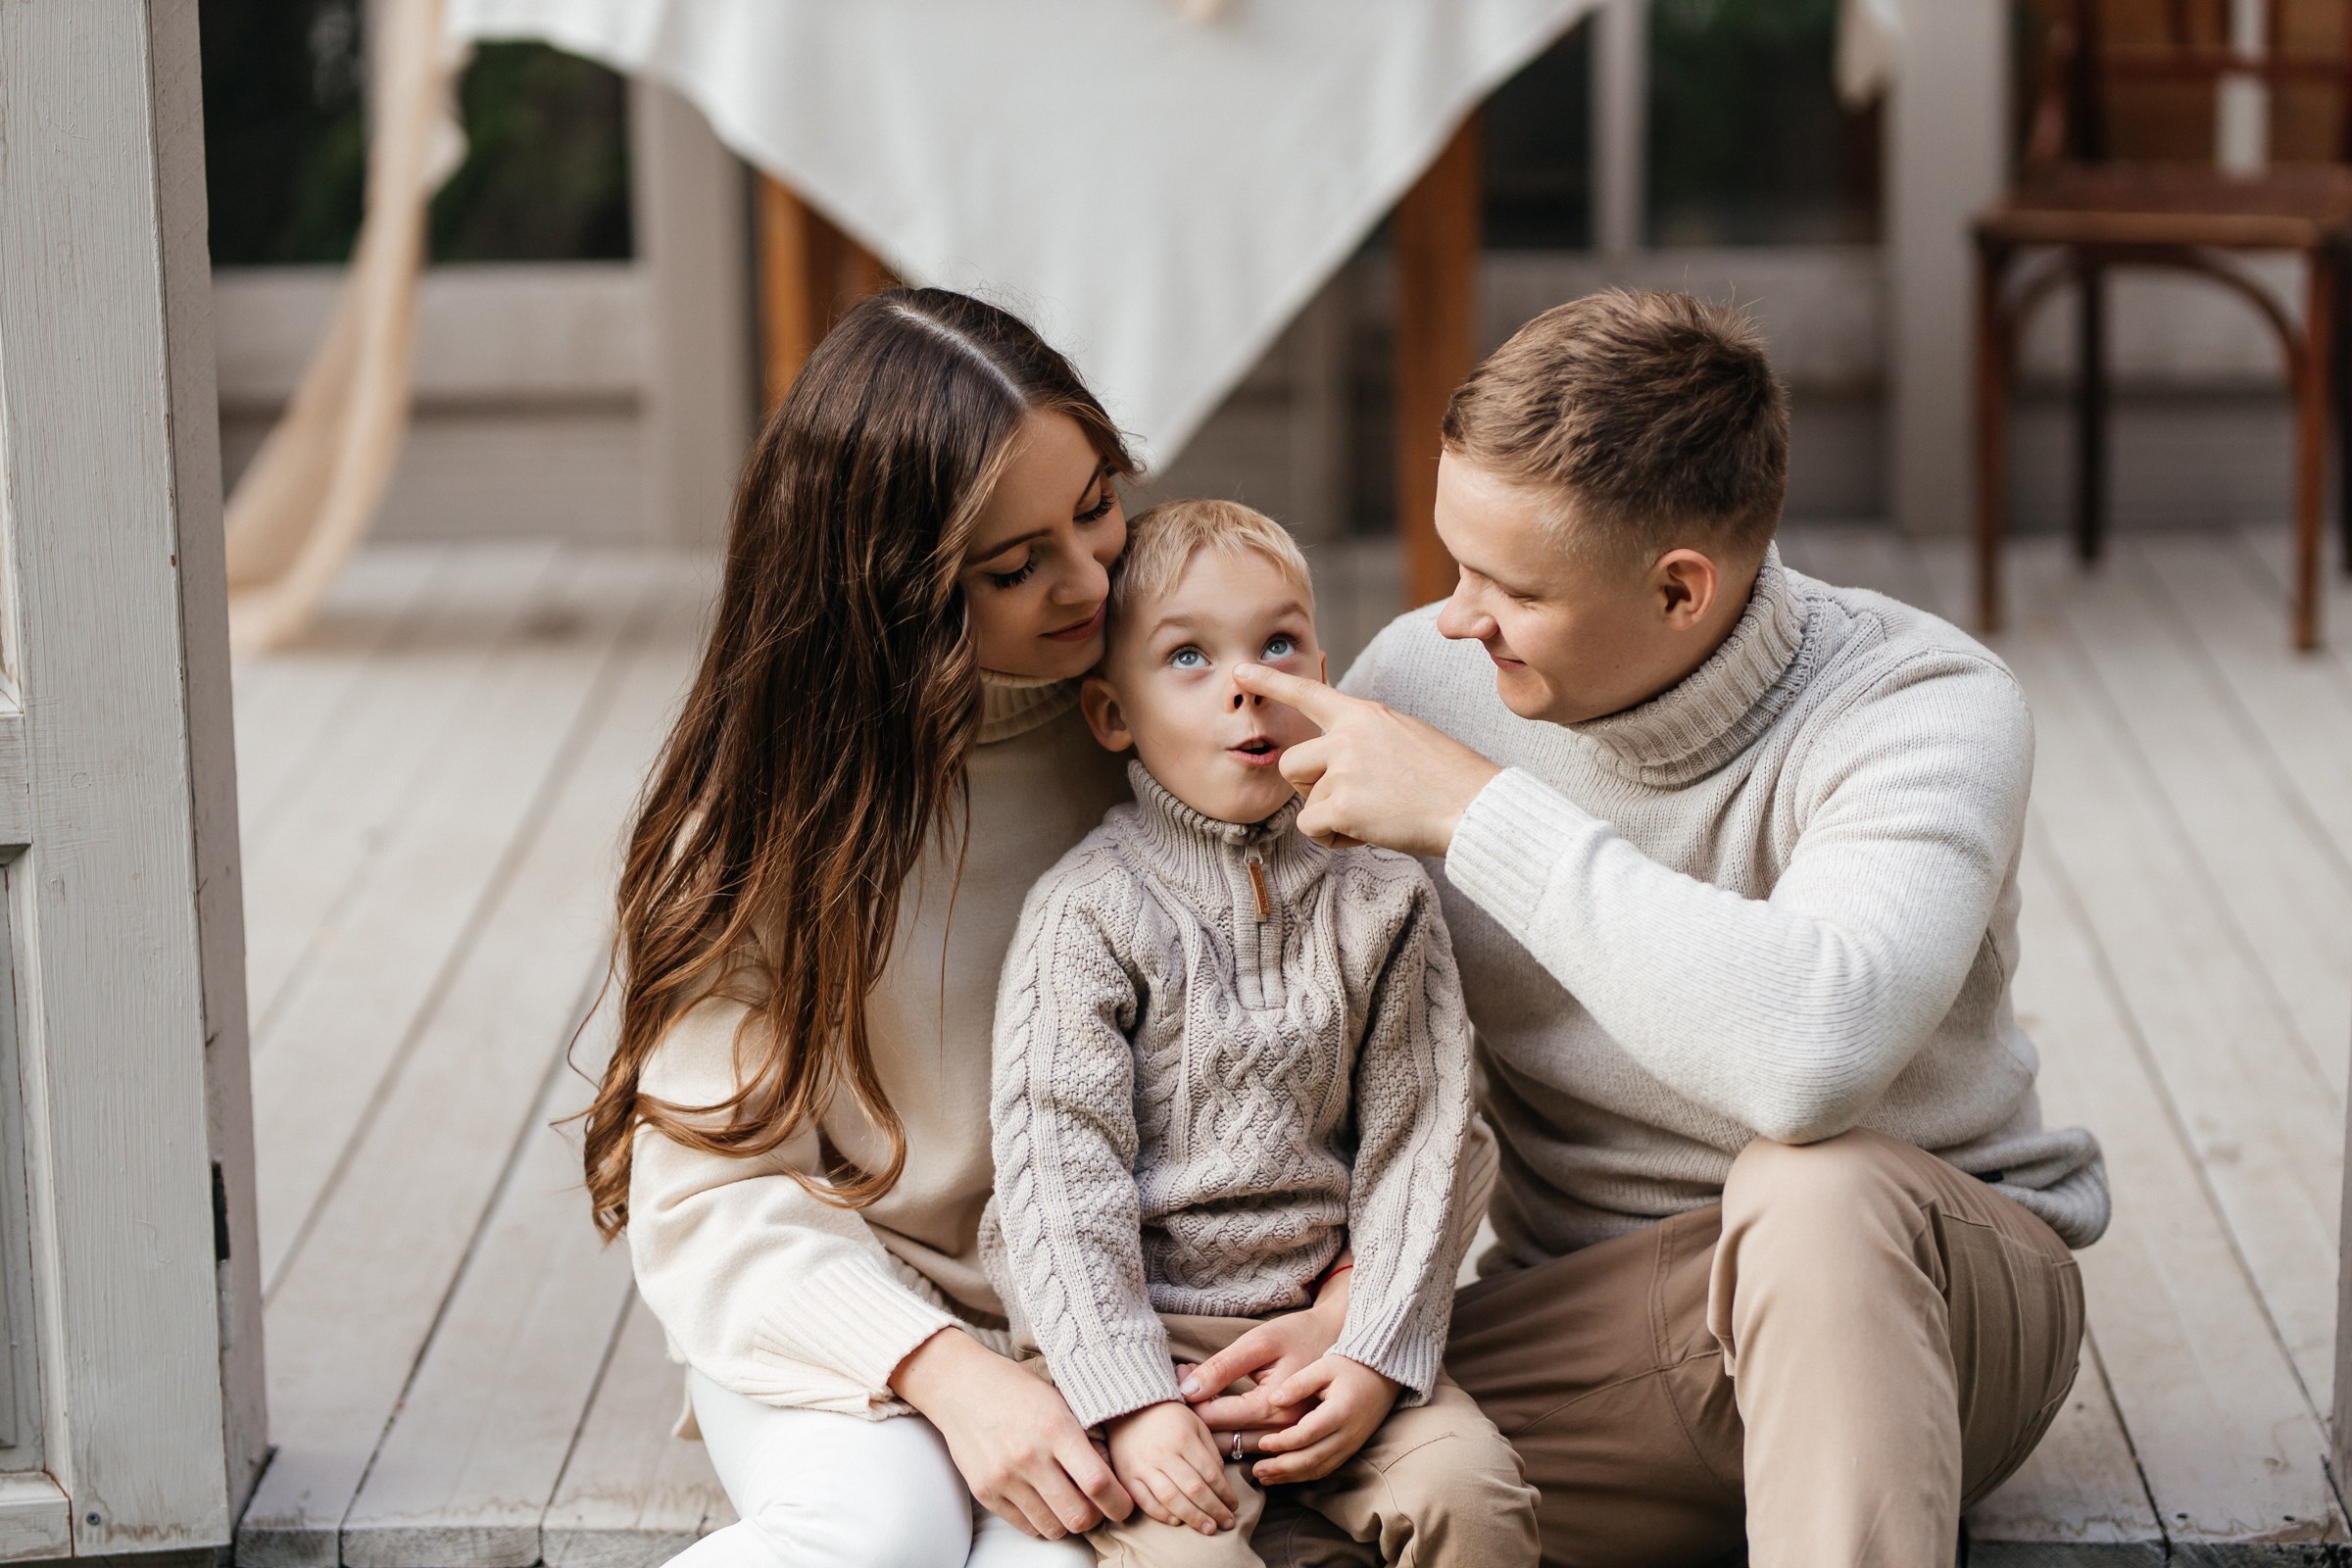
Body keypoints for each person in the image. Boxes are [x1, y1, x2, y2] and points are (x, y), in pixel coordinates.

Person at [1193, 290, 2110, 1568]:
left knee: (1813, 1185)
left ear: (1682, 590)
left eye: (1507, 587)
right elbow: (1329, 1050)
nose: (1456, 619)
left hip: (1933, 1302)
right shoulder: (1426, 681)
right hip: (1607, 1322)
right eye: (1452, 564)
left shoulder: (1922, 705)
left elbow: (1813, 1058)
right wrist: (1348, 1311)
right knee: (1246, 1460)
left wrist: (1474, 810)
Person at [585, 289, 1363, 1568]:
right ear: (894, 586)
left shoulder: (1192, 719)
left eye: (1098, 504)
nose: (1091, 578)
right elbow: (708, 1190)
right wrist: (941, 1367)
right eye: (1014, 566)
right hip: (858, 1307)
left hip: (1126, 1325)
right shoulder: (788, 811)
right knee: (875, 1534)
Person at [987, 500, 1539, 1568]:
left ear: (1323, 674)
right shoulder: (1089, 912)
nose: (1246, 683)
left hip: (1325, 1331)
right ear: (1111, 712)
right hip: (1148, 1348)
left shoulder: (1383, 894)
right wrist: (1129, 1400)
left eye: (1277, 643)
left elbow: (1423, 1139)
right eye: (1188, 655)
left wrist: (1374, 1347)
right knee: (1191, 1559)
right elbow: (1057, 1175)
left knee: (1473, 1495)